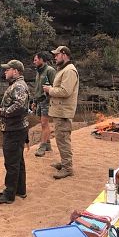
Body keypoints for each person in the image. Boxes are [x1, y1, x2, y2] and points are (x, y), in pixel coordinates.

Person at [0, 60, 29, 204]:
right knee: (18, 160)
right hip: (17, 128)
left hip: (14, 129)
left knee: (11, 162)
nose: (5, 71)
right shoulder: (17, 85)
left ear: (16, 71)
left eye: (8, 69)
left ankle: (8, 195)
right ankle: (20, 190)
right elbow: (18, 105)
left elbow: (19, 106)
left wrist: (2, 111)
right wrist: (0, 110)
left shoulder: (18, 86)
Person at [43, 46, 79, 179]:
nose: (55, 57)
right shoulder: (65, 69)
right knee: (61, 139)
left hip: (63, 112)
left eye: (57, 55)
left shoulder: (69, 71)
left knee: (63, 140)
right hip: (60, 111)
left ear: (64, 55)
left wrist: (49, 90)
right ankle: (65, 163)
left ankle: (67, 168)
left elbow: (65, 91)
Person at [32, 51, 56, 157]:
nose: (34, 62)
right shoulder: (38, 71)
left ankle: (42, 147)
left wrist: (50, 98)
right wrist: (34, 101)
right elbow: (37, 87)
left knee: (44, 124)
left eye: (36, 59)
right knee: (43, 124)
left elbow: (55, 86)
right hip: (39, 100)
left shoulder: (50, 70)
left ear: (42, 59)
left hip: (47, 101)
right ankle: (48, 145)